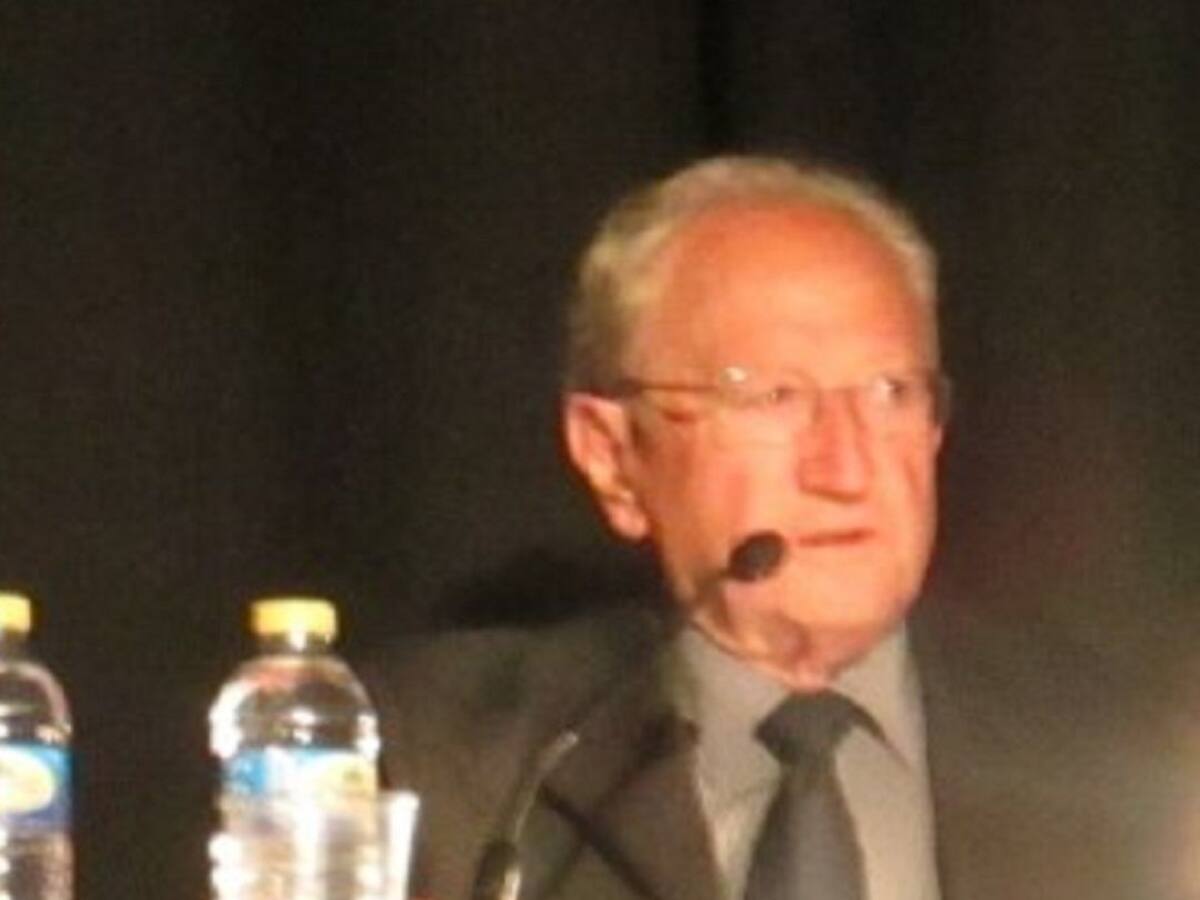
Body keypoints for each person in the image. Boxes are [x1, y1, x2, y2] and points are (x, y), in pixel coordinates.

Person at [367, 156, 1182, 900]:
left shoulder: (1126, 759)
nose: (846, 469)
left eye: (890, 394)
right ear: (611, 456)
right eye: (772, 399)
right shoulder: (447, 760)